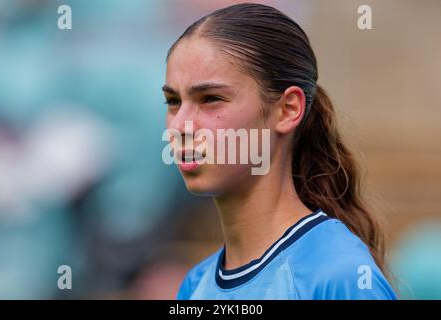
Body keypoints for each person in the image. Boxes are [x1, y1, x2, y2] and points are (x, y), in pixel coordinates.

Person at [162, 3, 397, 299]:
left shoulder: (339, 276)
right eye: (172, 101)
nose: (181, 125)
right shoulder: (195, 285)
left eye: (210, 98)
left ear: (287, 109)